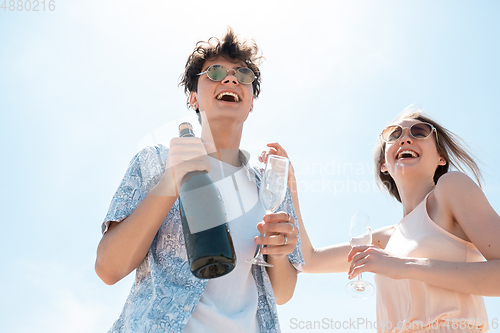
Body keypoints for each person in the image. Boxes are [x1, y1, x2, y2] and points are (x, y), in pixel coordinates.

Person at [95, 27, 303, 333]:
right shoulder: (155, 161)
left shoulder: (269, 185)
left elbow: (282, 294)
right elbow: (108, 268)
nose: (231, 79)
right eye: (215, 72)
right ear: (193, 97)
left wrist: (281, 253)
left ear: (251, 102)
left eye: (243, 75)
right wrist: (171, 181)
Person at [262, 109, 500, 332]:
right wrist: (289, 182)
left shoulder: (451, 188)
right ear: (384, 164)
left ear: (441, 158)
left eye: (419, 132)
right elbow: (310, 260)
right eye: (394, 135)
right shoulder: (387, 239)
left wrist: (402, 266)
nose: (405, 139)